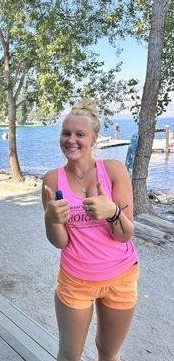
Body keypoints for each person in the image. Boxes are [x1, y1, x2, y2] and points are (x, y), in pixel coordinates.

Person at [42, 100, 139, 361]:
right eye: (66, 133)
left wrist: (112, 212)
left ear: (94, 139)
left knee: (108, 352)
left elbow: (125, 234)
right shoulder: (52, 180)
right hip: (76, 280)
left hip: (121, 277)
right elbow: (61, 242)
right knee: (69, 354)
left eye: (80, 134)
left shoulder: (114, 170)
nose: (71, 140)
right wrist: (50, 219)